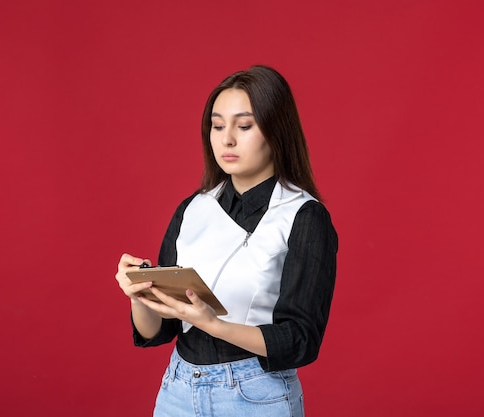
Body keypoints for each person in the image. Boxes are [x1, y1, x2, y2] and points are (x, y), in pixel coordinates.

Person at [115, 65, 338, 417]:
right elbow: (160, 331)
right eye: (217, 126)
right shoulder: (193, 208)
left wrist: (213, 324)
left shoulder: (304, 217)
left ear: (277, 130)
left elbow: (301, 341)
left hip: (255, 396)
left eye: (244, 126)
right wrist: (139, 296)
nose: (227, 139)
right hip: (178, 389)